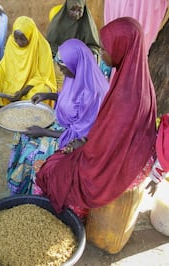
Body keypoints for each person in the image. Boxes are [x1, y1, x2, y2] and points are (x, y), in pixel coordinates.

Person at [36, 17, 157, 214]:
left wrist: (79, 147)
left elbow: (107, 146)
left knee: (52, 171)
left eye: (104, 49)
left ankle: (56, 212)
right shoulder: (133, 78)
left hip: (111, 162)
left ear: (121, 48)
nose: (101, 54)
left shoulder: (126, 97)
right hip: (109, 150)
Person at [6, 38, 108, 218]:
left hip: (76, 139)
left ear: (76, 64)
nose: (60, 70)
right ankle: (19, 190)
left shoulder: (94, 93)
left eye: (63, 66)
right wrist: (48, 94)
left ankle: (36, 200)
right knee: (22, 134)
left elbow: (81, 134)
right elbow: (67, 96)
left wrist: (44, 132)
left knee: (35, 153)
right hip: (62, 124)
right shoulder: (76, 74)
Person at [0, 16, 57, 125]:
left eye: (23, 39)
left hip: (33, 83)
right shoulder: (11, 41)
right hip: (11, 78)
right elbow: (6, 66)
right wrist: (1, 78)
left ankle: (29, 122)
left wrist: (22, 91)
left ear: (30, 35)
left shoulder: (42, 46)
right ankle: (4, 114)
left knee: (41, 92)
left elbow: (42, 76)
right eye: (16, 38)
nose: (18, 42)